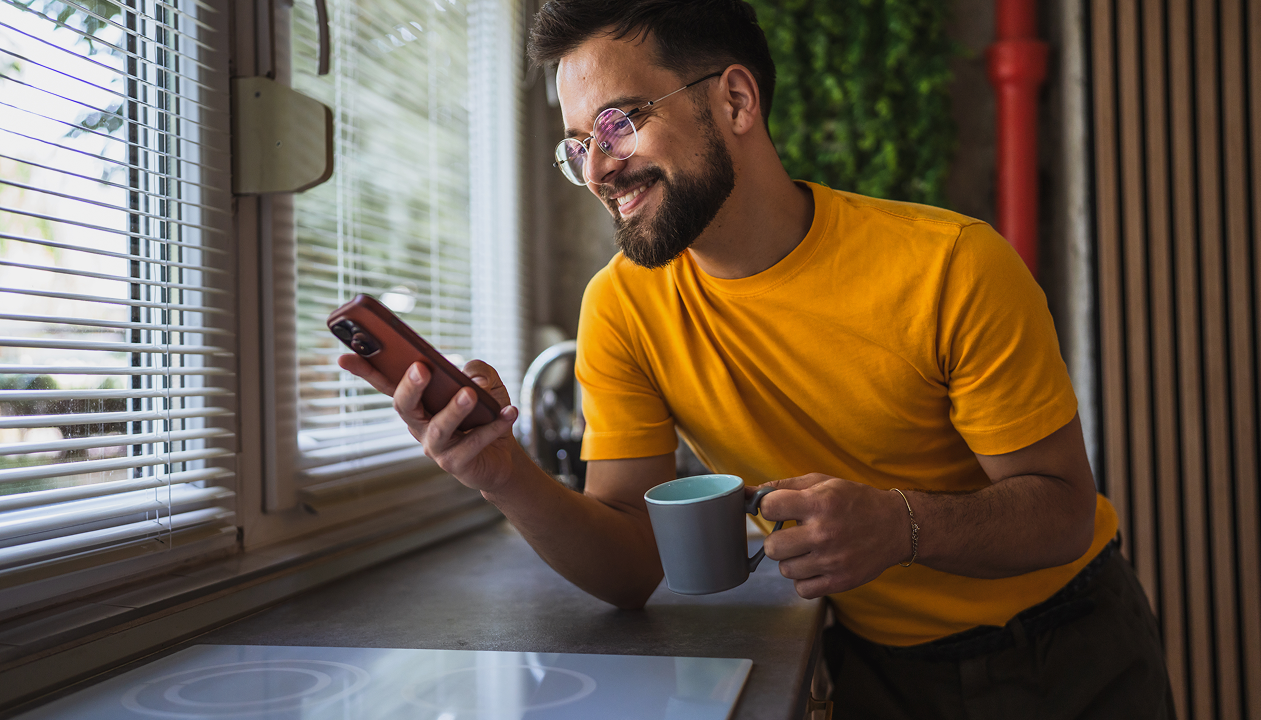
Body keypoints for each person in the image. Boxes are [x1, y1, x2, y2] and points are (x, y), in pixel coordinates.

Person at [340, 1, 1174, 716]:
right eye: (575, 146)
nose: (597, 167)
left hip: (1062, 647)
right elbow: (633, 561)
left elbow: (1062, 513)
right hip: (874, 664)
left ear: (735, 99)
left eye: (617, 122)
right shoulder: (622, 308)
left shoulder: (952, 265)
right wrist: (501, 474)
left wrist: (902, 526)